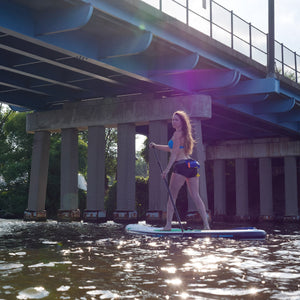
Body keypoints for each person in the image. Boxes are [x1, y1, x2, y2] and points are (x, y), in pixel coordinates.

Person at [149, 110, 210, 230]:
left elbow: (174, 154)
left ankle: (168, 225)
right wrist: (156, 146)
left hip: (181, 166)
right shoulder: (184, 134)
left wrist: (166, 170)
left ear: (182, 122)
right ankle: (206, 225)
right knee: (196, 195)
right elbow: (171, 149)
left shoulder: (177, 135)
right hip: (192, 165)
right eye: (172, 119)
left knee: (172, 196)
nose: (173, 121)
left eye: (176, 119)